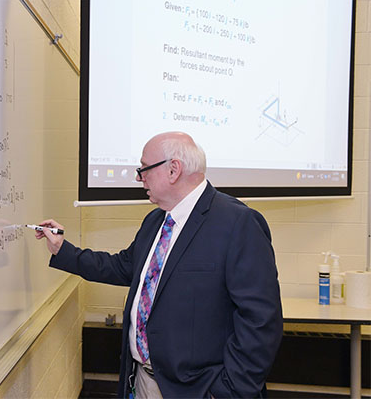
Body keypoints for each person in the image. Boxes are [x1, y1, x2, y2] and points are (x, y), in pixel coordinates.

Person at [35, 132, 283, 398]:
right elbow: (122, 267)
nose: (139, 178)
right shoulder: (156, 221)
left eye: (143, 169)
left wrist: (227, 391)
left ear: (173, 170)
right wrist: (63, 249)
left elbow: (261, 321)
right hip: (142, 380)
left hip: (199, 390)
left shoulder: (238, 223)